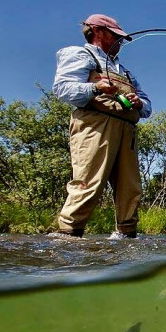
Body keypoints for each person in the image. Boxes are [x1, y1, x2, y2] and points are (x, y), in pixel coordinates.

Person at [50, 13, 151, 239]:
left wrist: (139, 102)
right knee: (88, 183)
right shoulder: (79, 54)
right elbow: (63, 89)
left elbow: (148, 106)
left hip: (128, 131)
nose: (121, 42)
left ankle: (127, 237)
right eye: (117, 37)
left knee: (130, 190)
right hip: (95, 125)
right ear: (99, 32)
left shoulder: (125, 71)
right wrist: (95, 88)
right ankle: (68, 238)